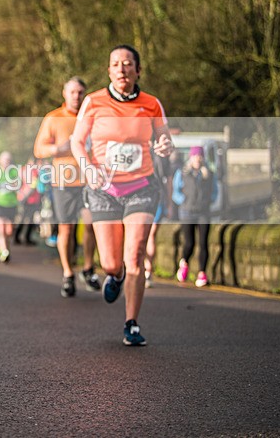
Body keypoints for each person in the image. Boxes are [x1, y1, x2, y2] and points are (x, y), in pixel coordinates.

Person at [71, 44, 173, 346]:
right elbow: (77, 141)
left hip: (141, 187)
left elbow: (164, 139)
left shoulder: (152, 104)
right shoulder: (93, 102)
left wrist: (165, 146)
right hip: (104, 191)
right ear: (109, 71)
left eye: (128, 63)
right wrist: (87, 168)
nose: (122, 69)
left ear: (138, 70)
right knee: (112, 262)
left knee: (136, 254)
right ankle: (115, 276)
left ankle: (132, 324)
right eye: (115, 64)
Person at [34, 76, 100, 297]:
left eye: (80, 92)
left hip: (89, 180)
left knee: (91, 224)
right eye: (72, 92)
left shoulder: (92, 117)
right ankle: (68, 273)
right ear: (64, 94)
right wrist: (57, 149)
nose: (76, 96)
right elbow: (38, 149)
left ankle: (88, 269)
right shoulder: (53, 118)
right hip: (63, 182)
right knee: (66, 228)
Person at [172, 146, 216, 287]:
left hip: (203, 212)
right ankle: (184, 262)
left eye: (200, 156)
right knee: (189, 242)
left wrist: (209, 201)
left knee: (203, 243)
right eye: (195, 156)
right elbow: (175, 192)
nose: (198, 159)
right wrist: (183, 201)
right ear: (191, 158)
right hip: (187, 212)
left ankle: (202, 273)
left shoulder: (209, 174)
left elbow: (215, 191)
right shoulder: (182, 173)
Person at [144, 151, 173, 288]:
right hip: (150, 197)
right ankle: (144, 269)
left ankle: (146, 269)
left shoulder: (160, 155)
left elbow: (169, 180)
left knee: (149, 235)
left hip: (153, 198)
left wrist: (169, 204)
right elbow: (169, 181)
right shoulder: (161, 154)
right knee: (148, 235)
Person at [14, 157, 41, 246]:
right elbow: (33, 186)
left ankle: (18, 237)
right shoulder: (34, 172)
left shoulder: (22, 170)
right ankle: (25, 238)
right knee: (29, 219)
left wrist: (20, 194)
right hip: (31, 199)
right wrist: (25, 196)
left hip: (24, 197)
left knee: (24, 217)